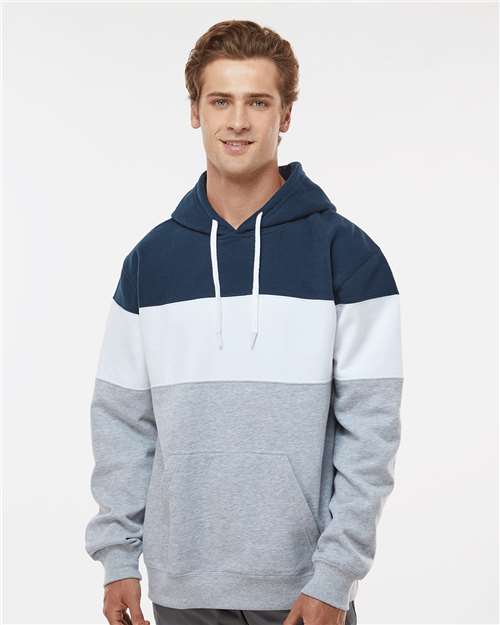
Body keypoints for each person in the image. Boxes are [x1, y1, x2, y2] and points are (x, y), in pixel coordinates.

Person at [85, 19, 403, 625]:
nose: (237, 121)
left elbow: (371, 434)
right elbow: (123, 420)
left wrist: (336, 576)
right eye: (220, 101)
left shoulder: (347, 255)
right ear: (195, 111)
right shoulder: (150, 262)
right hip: (181, 589)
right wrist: (118, 557)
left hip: (305, 592)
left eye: (258, 102)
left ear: (285, 116)